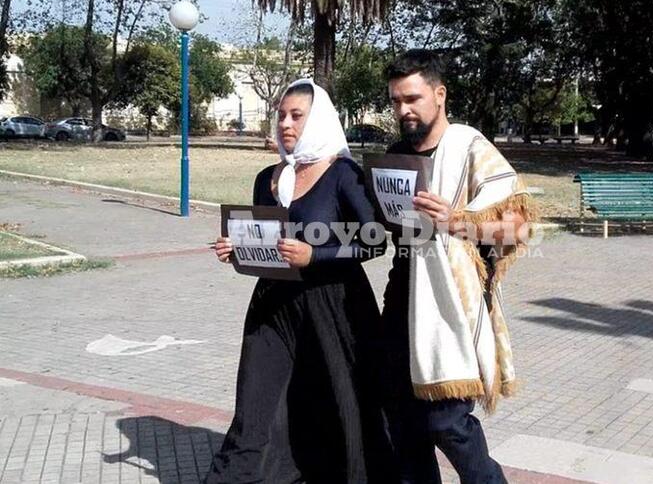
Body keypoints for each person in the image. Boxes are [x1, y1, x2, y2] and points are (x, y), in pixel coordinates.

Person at [207, 78, 392, 484]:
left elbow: (375, 240)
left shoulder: (342, 174)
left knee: (341, 398)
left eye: (297, 116)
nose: (286, 124)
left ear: (318, 119)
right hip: (274, 305)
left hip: (335, 305)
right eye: (281, 116)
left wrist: (316, 254)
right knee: (257, 398)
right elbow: (264, 240)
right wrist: (236, 249)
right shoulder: (266, 178)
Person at [379, 49, 535, 483]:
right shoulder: (396, 154)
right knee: (402, 422)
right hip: (402, 299)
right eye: (395, 101)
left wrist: (456, 222)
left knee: (446, 423)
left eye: (412, 98)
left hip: (453, 307)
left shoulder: (469, 147)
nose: (403, 109)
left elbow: (520, 227)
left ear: (440, 94)